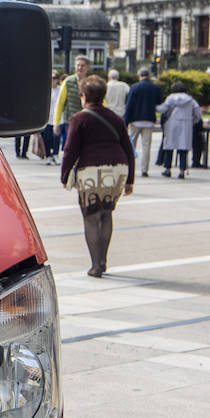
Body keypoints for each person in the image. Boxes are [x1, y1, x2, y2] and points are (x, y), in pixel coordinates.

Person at [60, 75, 135, 277]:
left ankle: (95, 265)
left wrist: (65, 173)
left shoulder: (79, 118)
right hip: (117, 169)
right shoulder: (115, 118)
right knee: (106, 213)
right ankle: (103, 260)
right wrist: (130, 180)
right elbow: (128, 148)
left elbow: (70, 150)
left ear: (84, 96)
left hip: (91, 170)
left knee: (91, 217)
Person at [156, 80, 203, 179]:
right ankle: (182, 171)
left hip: (171, 124)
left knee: (169, 146)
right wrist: (193, 121)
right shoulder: (191, 100)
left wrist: (154, 107)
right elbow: (198, 113)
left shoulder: (170, 98)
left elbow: (163, 109)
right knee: (183, 147)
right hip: (186, 124)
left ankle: (167, 169)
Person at [123, 67, 161, 177]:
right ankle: (144, 169)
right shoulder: (155, 88)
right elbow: (159, 102)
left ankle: (130, 168)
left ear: (139, 76)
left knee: (131, 146)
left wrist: (126, 121)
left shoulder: (134, 87)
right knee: (146, 146)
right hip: (148, 119)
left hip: (135, 120)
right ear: (148, 76)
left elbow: (129, 105)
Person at [52, 56, 90, 150]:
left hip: (88, 121)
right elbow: (60, 103)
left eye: (82, 65)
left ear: (88, 67)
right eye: (78, 65)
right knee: (73, 146)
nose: (80, 68)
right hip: (71, 121)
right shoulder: (68, 82)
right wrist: (56, 123)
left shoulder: (90, 83)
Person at [40, 71, 62, 164]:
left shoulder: (60, 90)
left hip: (58, 118)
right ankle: (48, 155)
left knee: (56, 138)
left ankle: (55, 154)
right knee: (47, 137)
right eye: (51, 78)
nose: (52, 80)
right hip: (47, 118)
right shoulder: (45, 90)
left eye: (54, 78)